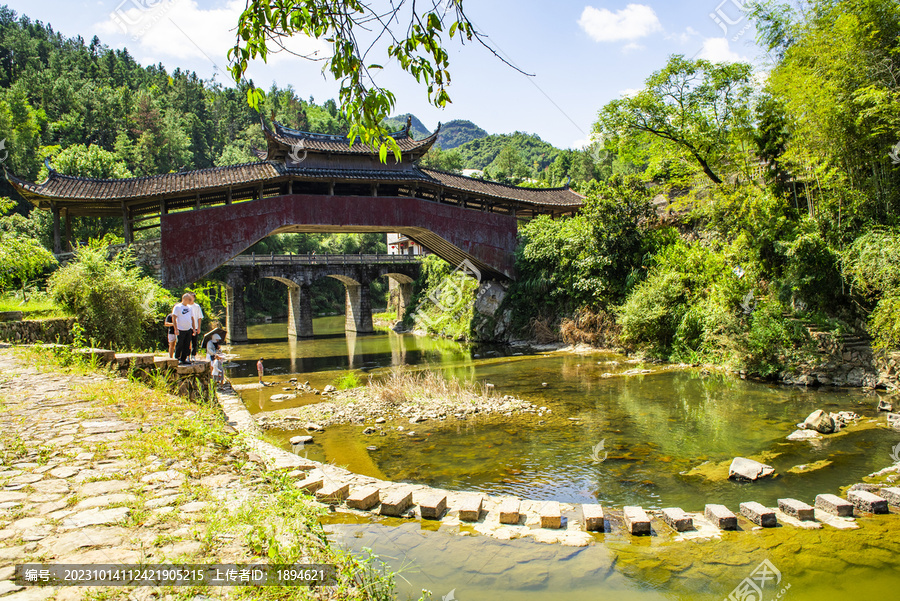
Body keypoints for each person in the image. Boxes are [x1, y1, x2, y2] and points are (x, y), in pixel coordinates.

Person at [172, 294, 195, 366]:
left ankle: (183, 359)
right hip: (180, 329)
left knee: (187, 344)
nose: (191, 301)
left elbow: (192, 318)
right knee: (179, 344)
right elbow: (174, 317)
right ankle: (177, 358)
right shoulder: (178, 307)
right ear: (185, 299)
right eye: (189, 299)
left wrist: (193, 328)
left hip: (188, 329)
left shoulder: (190, 308)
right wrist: (175, 329)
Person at [188, 293, 204, 361]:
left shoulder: (197, 306)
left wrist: (199, 328)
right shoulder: (186, 306)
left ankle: (193, 355)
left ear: (194, 298)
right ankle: (187, 356)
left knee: (194, 342)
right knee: (187, 342)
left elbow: (199, 317)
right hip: (187, 327)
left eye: (191, 298)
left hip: (195, 327)